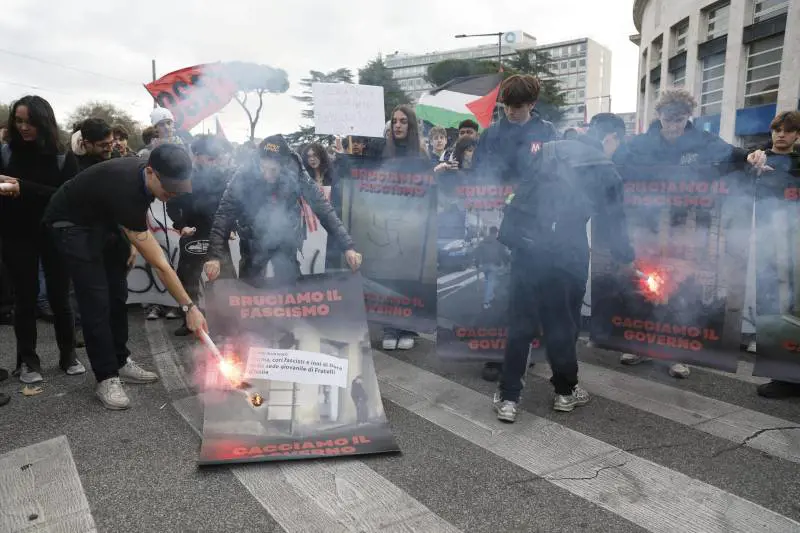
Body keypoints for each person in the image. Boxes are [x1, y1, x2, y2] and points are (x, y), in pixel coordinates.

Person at [613, 88, 767, 379]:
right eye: (668, 118)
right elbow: (615, 164)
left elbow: (735, 156)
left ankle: (675, 352)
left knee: (678, 285)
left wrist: (753, 157)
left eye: (680, 119)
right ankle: (638, 344)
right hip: (646, 226)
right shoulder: (640, 144)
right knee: (644, 283)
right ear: (658, 115)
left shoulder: (703, 141)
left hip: (685, 228)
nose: (673, 125)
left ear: (688, 116)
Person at [44, 144, 209, 410]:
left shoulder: (143, 180)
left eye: (179, 188)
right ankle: (106, 377)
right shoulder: (126, 188)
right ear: (151, 172)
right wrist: (189, 306)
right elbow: (160, 265)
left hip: (104, 221)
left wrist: (132, 243)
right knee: (96, 301)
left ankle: (121, 361)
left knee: (118, 293)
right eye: (168, 188)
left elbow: (132, 217)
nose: (172, 195)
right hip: (71, 224)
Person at [493, 115, 636, 421]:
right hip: (567, 252)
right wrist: (626, 257)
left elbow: (520, 193)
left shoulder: (549, 149)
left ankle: (508, 398)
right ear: (610, 137)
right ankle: (565, 393)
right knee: (563, 325)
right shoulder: (605, 167)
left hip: (527, 245)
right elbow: (614, 223)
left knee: (521, 324)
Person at [471, 74, 558, 381]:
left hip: (534, 220)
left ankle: (526, 348)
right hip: (497, 216)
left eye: (517, 106)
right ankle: (494, 353)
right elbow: (478, 174)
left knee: (527, 286)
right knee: (497, 283)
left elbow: (556, 176)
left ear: (532, 104)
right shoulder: (491, 134)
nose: (511, 112)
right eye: (506, 106)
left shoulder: (547, 133)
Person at [0, 95, 83, 384]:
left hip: (55, 234)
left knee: (60, 298)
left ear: (44, 122)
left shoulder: (63, 157)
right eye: (18, 121)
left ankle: (68, 355)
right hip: (16, 236)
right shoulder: (6, 154)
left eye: (30, 122)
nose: (23, 127)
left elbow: (67, 198)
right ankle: (27, 362)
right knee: (24, 299)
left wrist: (23, 187)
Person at [204, 135, 362, 286]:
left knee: (290, 287)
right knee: (249, 288)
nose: (267, 175)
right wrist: (215, 257)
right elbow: (224, 213)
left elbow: (323, 208)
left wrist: (347, 247)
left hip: (287, 239)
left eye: (273, 170)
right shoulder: (244, 173)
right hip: (252, 240)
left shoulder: (297, 171)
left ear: (284, 165)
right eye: (263, 168)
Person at [748, 110, 800, 399]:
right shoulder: (757, 158)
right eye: (777, 129)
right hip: (768, 245)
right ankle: (780, 375)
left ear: (796, 134)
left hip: (796, 246)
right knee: (770, 306)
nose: (781, 134)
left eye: (788, 130)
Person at [167, 135, 235, 336]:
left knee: (224, 278)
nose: (213, 161)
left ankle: (223, 320)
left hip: (217, 234)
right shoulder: (183, 178)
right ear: (196, 157)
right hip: (193, 233)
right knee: (188, 277)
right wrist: (181, 226)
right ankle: (188, 320)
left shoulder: (222, 177)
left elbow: (230, 205)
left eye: (215, 158)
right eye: (209, 158)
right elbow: (172, 204)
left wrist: (231, 228)